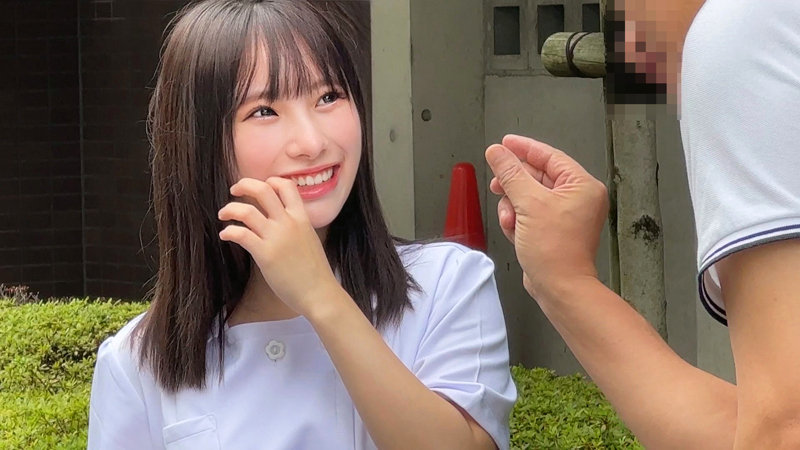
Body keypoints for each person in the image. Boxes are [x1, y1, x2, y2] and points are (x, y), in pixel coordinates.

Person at [88, 1, 515, 449]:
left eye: (328, 96)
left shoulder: (447, 284)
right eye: (264, 111)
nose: (312, 143)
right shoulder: (137, 364)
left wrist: (321, 296)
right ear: (199, 144)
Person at [485, 0, 800, 448]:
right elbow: (762, 423)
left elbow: (784, 430)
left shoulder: (746, 31)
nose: (624, 26)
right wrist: (563, 281)